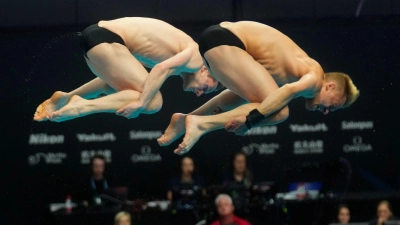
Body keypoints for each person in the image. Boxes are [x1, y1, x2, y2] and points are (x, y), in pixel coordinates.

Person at [157, 21, 360, 154]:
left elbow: (229, 97)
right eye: (332, 106)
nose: (325, 112)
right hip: (228, 42)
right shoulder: (316, 78)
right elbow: (287, 93)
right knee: (279, 111)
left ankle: (184, 120)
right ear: (330, 86)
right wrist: (251, 121)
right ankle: (201, 124)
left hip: (216, 40)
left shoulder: (291, 71)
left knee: (253, 99)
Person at [33, 17, 221, 122]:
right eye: (205, 88)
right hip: (107, 41)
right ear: (205, 69)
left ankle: (66, 97)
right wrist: (140, 105)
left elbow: (108, 81)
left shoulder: (177, 60)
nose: (198, 93)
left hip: (94, 38)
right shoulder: (197, 57)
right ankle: (81, 106)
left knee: (131, 90)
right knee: (153, 101)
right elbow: (160, 69)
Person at [167, 156, 205, 225]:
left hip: (195, 211)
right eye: (185, 165)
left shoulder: (199, 180)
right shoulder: (174, 180)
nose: (188, 167)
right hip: (178, 211)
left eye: (190, 164)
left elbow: (203, 194)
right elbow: (169, 196)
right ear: (181, 166)